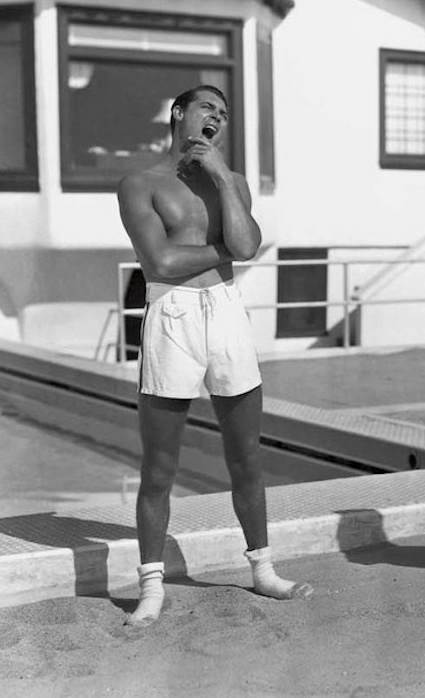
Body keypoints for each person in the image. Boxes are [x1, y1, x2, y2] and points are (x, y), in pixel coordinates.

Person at [117, 85, 313, 626]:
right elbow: (158, 261)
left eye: (223, 115)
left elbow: (247, 246)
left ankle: (262, 569)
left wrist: (224, 179)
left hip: (226, 312)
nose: (216, 119)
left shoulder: (234, 183)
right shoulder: (140, 183)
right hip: (173, 315)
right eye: (208, 108)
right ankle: (152, 587)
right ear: (179, 113)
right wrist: (227, 250)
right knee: (159, 466)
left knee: (246, 456)